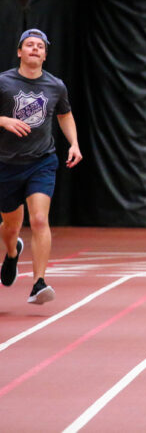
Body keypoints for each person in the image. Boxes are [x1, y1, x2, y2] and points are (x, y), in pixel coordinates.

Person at [0, 29, 82, 304]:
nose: (35, 49)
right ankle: (12, 253)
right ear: (19, 52)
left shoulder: (55, 86)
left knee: (38, 219)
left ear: (45, 55)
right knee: (11, 225)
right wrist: (4, 120)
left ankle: (38, 283)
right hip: (6, 163)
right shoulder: (4, 82)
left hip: (41, 161)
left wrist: (74, 144)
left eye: (40, 46)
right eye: (29, 45)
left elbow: (65, 114)